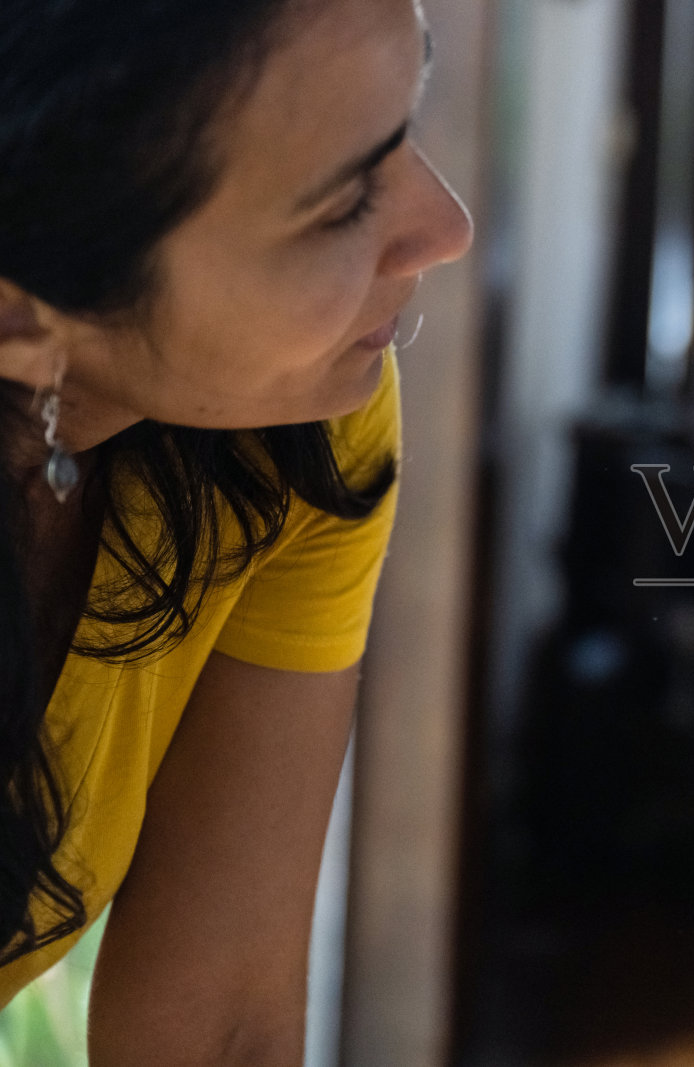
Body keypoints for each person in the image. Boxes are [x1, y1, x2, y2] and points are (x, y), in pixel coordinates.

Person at [0, 0, 472, 1060]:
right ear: (20, 316)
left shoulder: (299, 432)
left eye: (402, 128)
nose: (446, 226)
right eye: (344, 199)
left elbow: (222, 1026)